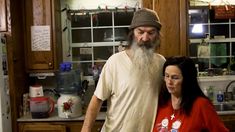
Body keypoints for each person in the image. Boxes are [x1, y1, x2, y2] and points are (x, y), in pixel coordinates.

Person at [81, 8, 166, 132]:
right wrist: (85, 130)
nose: (145, 37)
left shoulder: (161, 63)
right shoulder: (114, 62)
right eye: (140, 32)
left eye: (151, 32)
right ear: (132, 33)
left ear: (157, 35)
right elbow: (97, 100)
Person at [153, 56, 229, 132]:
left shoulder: (201, 105)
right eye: (167, 76)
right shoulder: (162, 103)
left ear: (187, 79)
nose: (169, 82)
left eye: (175, 78)